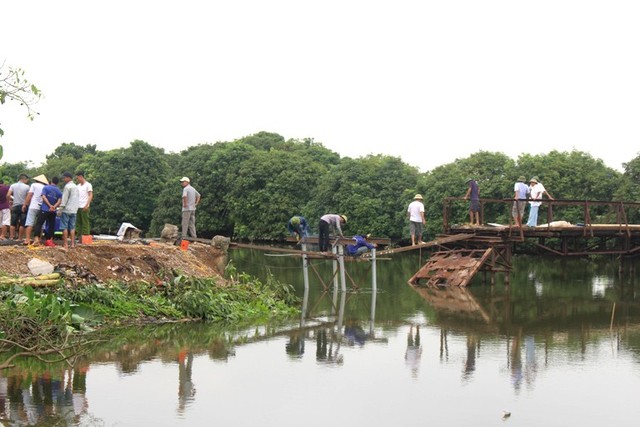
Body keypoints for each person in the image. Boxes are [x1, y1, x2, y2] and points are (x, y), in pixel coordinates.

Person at [32, 176, 62, 246]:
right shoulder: (59, 191)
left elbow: (43, 197)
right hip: (53, 211)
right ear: (57, 183)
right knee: (52, 225)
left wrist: (49, 205)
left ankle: (36, 239)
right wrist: (54, 206)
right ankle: (50, 240)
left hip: (44, 209)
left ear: (51, 181)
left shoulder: (46, 187)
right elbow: (59, 201)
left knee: (39, 223)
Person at [23, 174, 48, 246]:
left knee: (29, 222)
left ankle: (27, 239)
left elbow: (30, 195)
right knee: (40, 224)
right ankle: (38, 240)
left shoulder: (34, 185)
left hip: (33, 206)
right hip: (42, 207)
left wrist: (25, 204)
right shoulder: (45, 187)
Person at [59, 172, 80, 250]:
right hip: (74, 210)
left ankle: (65, 244)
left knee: (64, 227)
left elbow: (64, 199)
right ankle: (72, 244)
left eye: (64, 178)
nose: (64, 179)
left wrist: (60, 209)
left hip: (67, 209)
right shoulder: (76, 187)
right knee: (72, 227)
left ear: (68, 178)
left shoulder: (67, 186)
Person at [7, 174, 30, 241]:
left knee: (13, 222)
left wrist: (10, 202)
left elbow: (8, 195)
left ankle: (11, 237)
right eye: (26, 180)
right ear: (24, 179)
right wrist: (26, 204)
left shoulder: (13, 185)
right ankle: (20, 238)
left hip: (15, 205)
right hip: (23, 206)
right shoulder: (27, 187)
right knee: (22, 223)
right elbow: (28, 197)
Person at [75, 171, 93, 239]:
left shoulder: (88, 185)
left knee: (85, 222)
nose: (77, 180)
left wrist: (87, 204)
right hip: (78, 206)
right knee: (78, 222)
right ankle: (78, 236)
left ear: (81, 177)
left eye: (78, 178)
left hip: (84, 206)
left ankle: (85, 236)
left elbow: (90, 195)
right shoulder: (78, 186)